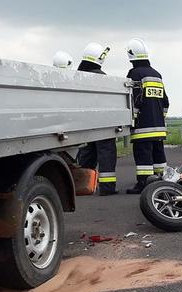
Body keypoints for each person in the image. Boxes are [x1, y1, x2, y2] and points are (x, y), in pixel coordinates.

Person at [125, 38, 169, 194]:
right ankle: (161, 180)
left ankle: (143, 183)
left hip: (143, 127)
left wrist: (132, 120)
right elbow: (165, 102)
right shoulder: (157, 74)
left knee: (143, 156)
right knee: (158, 155)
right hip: (159, 127)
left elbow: (135, 100)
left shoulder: (135, 73)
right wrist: (160, 119)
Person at [76, 43, 118, 196]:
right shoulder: (103, 78)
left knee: (86, 155)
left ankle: (82, 186)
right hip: (104, 124)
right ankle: (107, 188)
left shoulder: (78, 76)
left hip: (85, 125)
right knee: (106, 155)